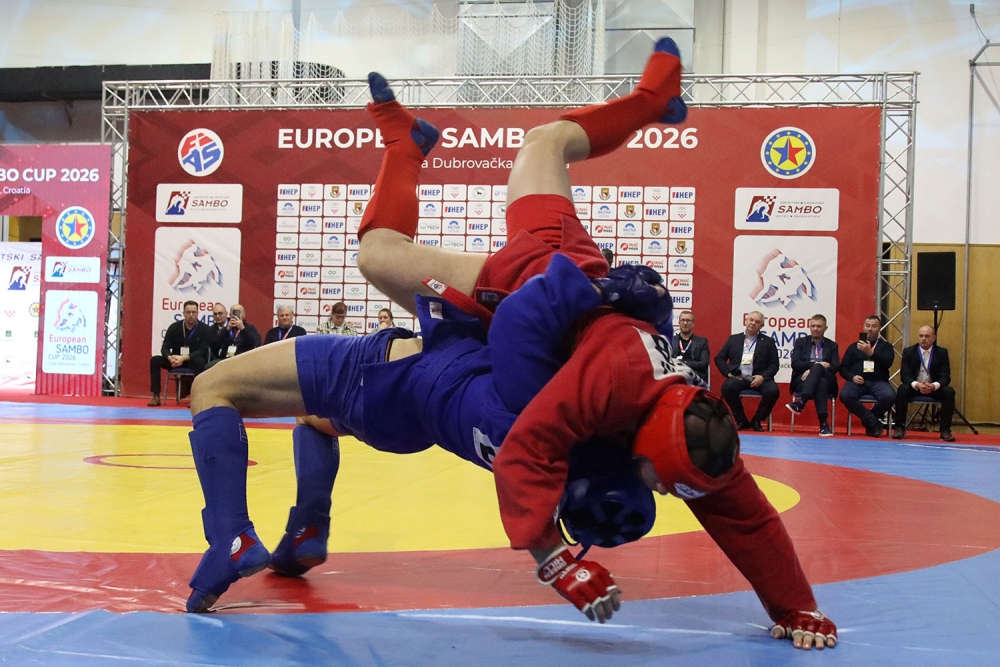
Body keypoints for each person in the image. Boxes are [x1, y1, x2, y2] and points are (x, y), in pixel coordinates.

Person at [183, 45, 836, 650]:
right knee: (381, 263)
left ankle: (613, 108)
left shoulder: (682, 424)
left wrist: (794, 606)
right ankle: (630, 104)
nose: (665, 491)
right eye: (660, 485)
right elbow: (528, 443)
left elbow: (739, 512)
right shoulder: (600, 391)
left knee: (514, 163)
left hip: (536, 297)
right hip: (525, 288)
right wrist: (555, 558)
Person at [713, 312, 780, 431]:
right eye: (751, 320)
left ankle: (757, 420)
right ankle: (741, 419)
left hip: (759, 378)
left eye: (757, 322)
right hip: (740, 377)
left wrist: (763, 377)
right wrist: (728, 373)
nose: (753, 323)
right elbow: (719, 358)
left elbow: (774, 365)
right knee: (727, 387)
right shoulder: (734, 339)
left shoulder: (768, 342)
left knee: (773, 391)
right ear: (746, 321)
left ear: (762, 326)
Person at [893, 325, 956, 442]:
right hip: (915, 387)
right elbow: (905, 376)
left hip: (933, 387)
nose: (923, 339)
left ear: (934, 338)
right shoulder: (909, 352)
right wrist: (917, 384)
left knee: (949, 392)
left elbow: (945, 377)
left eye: (927, 336)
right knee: (902, 389)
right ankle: (899, 428)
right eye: (921, 336)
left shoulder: (942, 352)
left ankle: (945, 430)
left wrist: (933, 386)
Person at [839, 315, 896, 438]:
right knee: (845, 395)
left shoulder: (886, 346)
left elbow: (888, 363)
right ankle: (873, 422)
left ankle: (870, 420)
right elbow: (843, 368)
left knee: (889, 396)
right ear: (863, 327)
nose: (870, 329)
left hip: (878, 381)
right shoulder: (854, 347)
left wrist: (871, 353)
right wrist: (852, 377)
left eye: (874, 326)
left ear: (879, 328)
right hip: (857, 382)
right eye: (868, 326)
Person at [148, 300, 212, 406]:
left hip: (192, 360)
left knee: (201, 362)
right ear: (183, 313)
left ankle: (196, 397)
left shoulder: (205, 329)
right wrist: (169, 357)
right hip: (175, 360)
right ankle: (156, 396)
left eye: (193, 312)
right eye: (188, 312)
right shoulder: (174, 327)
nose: (191, 315)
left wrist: (185, 358)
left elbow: (203, 350)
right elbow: (165, 347)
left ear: (197, 313)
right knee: (154, 361)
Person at [786, 315, 839, 437]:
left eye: (819, 326)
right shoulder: (801, 342)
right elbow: (795, 364)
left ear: (825, 328)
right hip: (803, 380)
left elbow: (835, 367)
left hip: (828, 377)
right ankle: (824, 424)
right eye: (813, 326)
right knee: (821, 382)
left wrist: (816, 368)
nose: (815, 329)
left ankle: (801, 403)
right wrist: (814, 366)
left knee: (819, 370)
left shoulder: (832, 345)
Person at [207, 304, 260, 369]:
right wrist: (227, 329)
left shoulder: (250, 328)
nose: (236, 315)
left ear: (244, 315)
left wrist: (242, 329)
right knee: (210, 366)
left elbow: (254, 343)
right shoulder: (226, 329)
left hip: (243, 360)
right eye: (233, 312)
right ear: (230, 315)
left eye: (238, 312)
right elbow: (215, 345)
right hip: (225, 360)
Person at [671, 309, 710, 384]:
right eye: (683, 320)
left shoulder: (702, 342)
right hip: (674, 373)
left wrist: (685, 363)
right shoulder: (671, 340)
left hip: (695, 374)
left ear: (693, 324)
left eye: (688, 320)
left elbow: (704, 363)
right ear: (679, 323)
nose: (685, 323)